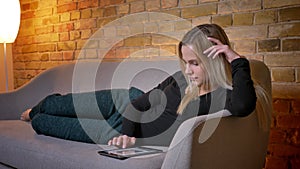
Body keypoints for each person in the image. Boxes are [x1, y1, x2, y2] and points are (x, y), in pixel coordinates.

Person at [21, 24, 271, 148]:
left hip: (115, 132)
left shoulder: (223, 97)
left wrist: (237, 60)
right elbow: (135, 105)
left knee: (43, 123)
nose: (187, 70)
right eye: (185, 62)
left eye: (194, 63)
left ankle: (36, 115)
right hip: (127, 104)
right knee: (58, 104)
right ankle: (35, 107)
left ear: (214, 59)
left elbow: (243, 106)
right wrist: (129, 133)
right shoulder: (181, 79)